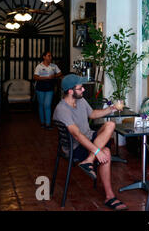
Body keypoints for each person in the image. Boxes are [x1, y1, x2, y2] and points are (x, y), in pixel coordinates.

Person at [53, 74, 128, 211]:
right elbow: (76, 135)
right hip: (74, 146)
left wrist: (111, 109)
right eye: (80, 88)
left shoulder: (80, 101)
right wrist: (98, 150)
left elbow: (92, 114)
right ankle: (110, 196)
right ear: (70, 91)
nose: (83, 90)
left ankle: (89, 160)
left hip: (88, 138)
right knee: (106, 152)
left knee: (110, 125)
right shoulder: (62, 109)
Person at [33, 51, 62, 129]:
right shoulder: (39, 66)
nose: (50, 57)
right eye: (49, 56)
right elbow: (35, 77)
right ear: (44, 57)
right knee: (41, 105)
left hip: (50, 87)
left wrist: (54, 75)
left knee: (47, 105)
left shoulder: (54, 66)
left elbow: (59, 73)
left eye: (51, 56)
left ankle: (48, 124)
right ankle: (42, 122)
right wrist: (46, 77)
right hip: (40, 87)